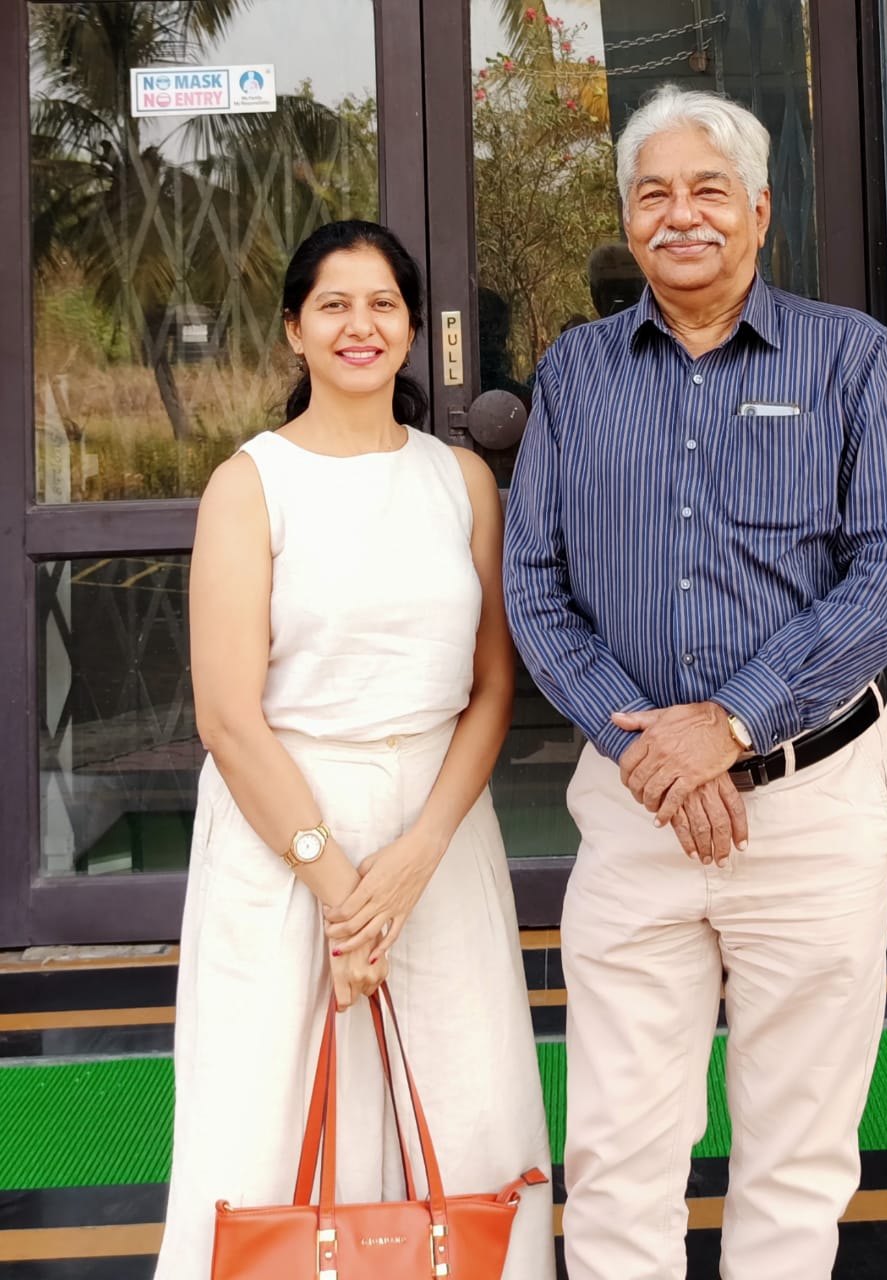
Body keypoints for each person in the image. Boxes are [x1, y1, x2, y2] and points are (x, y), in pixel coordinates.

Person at [503, 85, 887, 1280]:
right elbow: (533, 583)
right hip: (634, 813)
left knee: (796, 1145)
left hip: (811, 805)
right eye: (653, 193)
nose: (679, 215)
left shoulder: (850, 357)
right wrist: (647, 745)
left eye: (706, 191)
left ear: (756, 210)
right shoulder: (578, 372)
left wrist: (732, 719)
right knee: (618, 1142)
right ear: (627, 221)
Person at [156, 220, 554, 1280]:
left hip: (438, 835)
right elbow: (229, 717)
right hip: (283, 836)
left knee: (460, 1094)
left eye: (382, 304)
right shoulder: (251, 483)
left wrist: (415, 855)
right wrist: (344, 891)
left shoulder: (460, 479)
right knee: (270, 1109)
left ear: (414, 329)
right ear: (295, 330)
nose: (359, 325)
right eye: (333, 304)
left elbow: (491, 687)